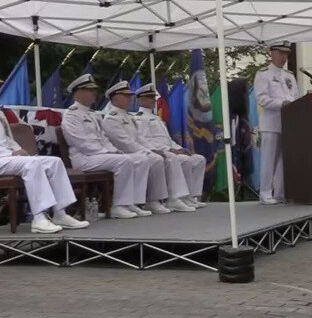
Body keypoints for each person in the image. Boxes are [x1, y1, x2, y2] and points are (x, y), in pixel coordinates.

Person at [0, 65, 88, 235]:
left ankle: (60, 213)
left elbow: (7, 139)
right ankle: (39, 218)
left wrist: (19, 149)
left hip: (6, 159)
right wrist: (12, 153)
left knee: (54, 162)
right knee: (32, 165)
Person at [61, 74, 149, 219]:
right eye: (90, 90)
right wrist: (109, 153)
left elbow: (104, 138)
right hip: (84, 158)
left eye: (94, 90)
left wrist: (114, 151)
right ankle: (119, 206)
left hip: (99, 155)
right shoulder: (71, 115)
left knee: (141, 159)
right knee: (124, 161)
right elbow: (82, 143)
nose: (94, 93)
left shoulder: (92, 114)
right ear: (79, 92)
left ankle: (131, 202)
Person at [101, 81, 194, 213]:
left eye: (129, 96)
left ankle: (165, 199)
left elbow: (139, 138)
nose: (129, 99)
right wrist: (149, 151)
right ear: (115, 98)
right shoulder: (111, 118)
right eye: (125, 96)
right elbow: (125, 142)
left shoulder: (128, 117)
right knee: (156, 159)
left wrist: (152, 149)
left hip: (136, 151)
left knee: (161, 157)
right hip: (124, 152)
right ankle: (152, 200)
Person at [133, 83, 207, 207]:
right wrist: (169, 149)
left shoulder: (157, 118)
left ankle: (191, 195)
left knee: (199, 159)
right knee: (183, 160)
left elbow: (168, 139)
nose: (153, 100)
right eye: (150, 98)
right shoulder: (139, 118)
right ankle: (175, 197)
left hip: (170, 149)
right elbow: (146, 141)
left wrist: (180, 148)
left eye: (153, 97)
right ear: (141, 100)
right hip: (157, 151)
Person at [253, 41, 299, 205]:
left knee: (283, 160)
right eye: (280, 53)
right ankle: (265, 193)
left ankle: (280, 193)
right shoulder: (263, 74)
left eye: (286, 53)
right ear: (271, 53)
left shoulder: (290, 76)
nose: (284, 57)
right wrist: (281, 104)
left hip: (288, 124)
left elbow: (295, 97)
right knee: (269, 159)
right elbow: (261, 98)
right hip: (271, 123)